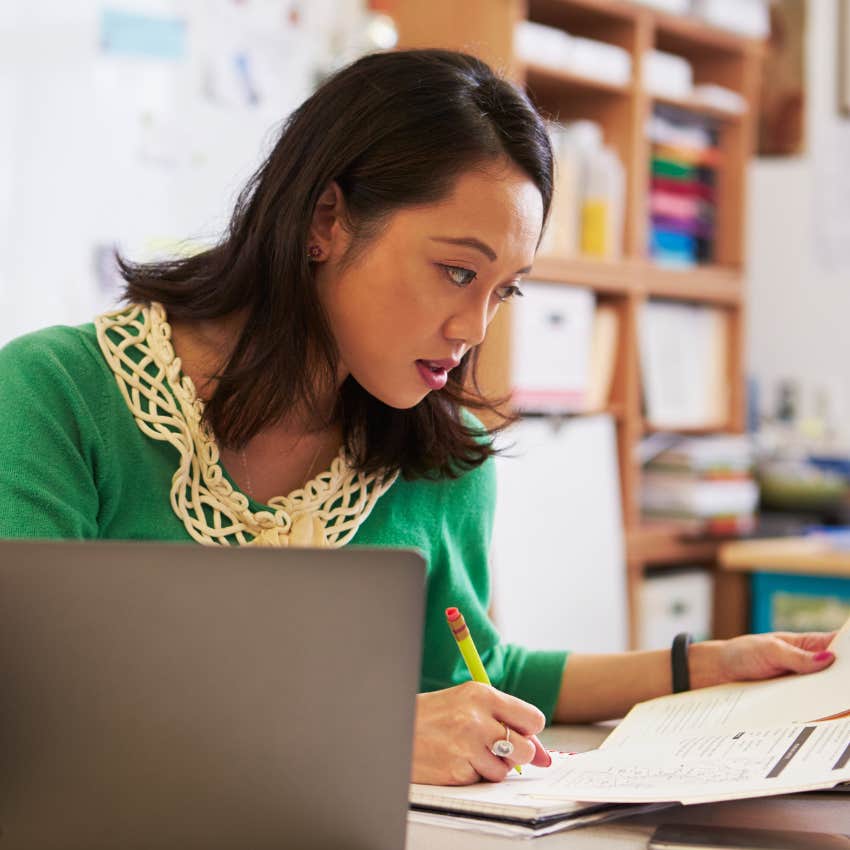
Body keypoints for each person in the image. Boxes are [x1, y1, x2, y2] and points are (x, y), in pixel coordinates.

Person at [0, 49, 836, 787]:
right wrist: (361, 737)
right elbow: (29, 692)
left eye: (505, 290)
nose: (475, 331)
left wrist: (699, 667)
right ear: (327, 221)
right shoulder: (58, 395)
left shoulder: (443, 456)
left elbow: (481, 667)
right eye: (456, 272)